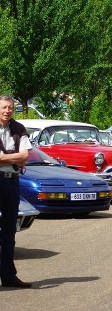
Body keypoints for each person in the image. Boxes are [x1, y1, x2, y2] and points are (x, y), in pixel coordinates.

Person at [0, 95, 32, 288]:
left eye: (10, 108)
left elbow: (25, 155)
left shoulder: (19, 129)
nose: (7, 111)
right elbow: (19, 157)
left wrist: (4, 157)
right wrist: (15, 157)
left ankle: (8, 276)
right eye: (4, 107)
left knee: (9, 231)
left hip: (11, 183)